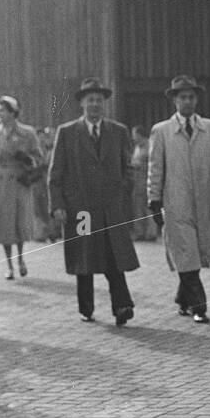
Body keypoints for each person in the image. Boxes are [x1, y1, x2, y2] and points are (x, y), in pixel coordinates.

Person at [47, 78, 139, 325]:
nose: (95, 104)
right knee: (84, 259)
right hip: (80, 209)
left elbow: (129, 167)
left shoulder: (118, 131)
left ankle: (122, 306)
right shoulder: (66, 133)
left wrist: (122, 192)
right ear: (82, 104)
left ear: (104, 103)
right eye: (90, 100)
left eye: (99, 100)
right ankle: (86, 307)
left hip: (110, 208)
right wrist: (58, 205)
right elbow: (55, 174)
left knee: (114, 258)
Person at [147, 75, 210, 323]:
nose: (187, 101)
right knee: (186, 253)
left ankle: (182, 299)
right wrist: (153, 198)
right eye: (182, 97)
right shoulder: (161, 131)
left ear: (197, 99)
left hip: (207, 202)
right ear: (174, 100)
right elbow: (155, 168)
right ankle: (199, 306)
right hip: (176, 203)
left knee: (197, 251)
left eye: (191, 97)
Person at [0, 95, 42, 280]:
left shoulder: (28, 133)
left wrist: (27, 160)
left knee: (20, 222)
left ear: (12, 112)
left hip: (20, 181)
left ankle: (21, 259)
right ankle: (9, 264)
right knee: (5, 225)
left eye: (2, 110)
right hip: (0, 184)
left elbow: (39, 158)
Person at [128, 126, 156, 242]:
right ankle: (140, 232)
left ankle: (150, 233)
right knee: (138, 207)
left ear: (140, 134)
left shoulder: (149, 145)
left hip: (146, 180)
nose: (133, 137)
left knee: (147, 208)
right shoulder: (137, 147)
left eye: (134, 134)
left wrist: (135, 164)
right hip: (137, 181)